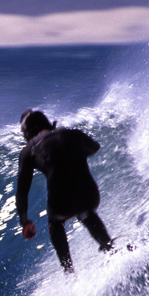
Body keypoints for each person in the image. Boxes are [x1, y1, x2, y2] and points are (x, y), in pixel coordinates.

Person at [16, 109, 112, 273]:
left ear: (30, 131)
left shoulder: (29, 150)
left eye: (23, 133)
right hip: (90, 194)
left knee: (55, 223)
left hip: (61, 202)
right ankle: (110, 249)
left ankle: (69, 271)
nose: (24, 137)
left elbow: (22, 192)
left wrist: (25, 222)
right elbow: (94, 147)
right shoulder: (72, 133)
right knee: (86, 213)